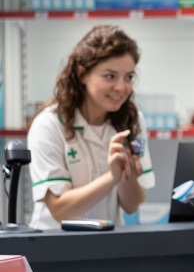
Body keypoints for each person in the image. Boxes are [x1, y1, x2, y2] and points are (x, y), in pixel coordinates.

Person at [27, 25, 154, 230]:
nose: (122, 87)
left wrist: (126, 176)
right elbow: (59, 209)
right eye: (110, 76)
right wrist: (111, 177)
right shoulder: (49, 125)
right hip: (54, 245)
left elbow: (131, 205)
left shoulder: (132, 120)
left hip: (106, 244)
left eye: (129, 77)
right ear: (82, 74)